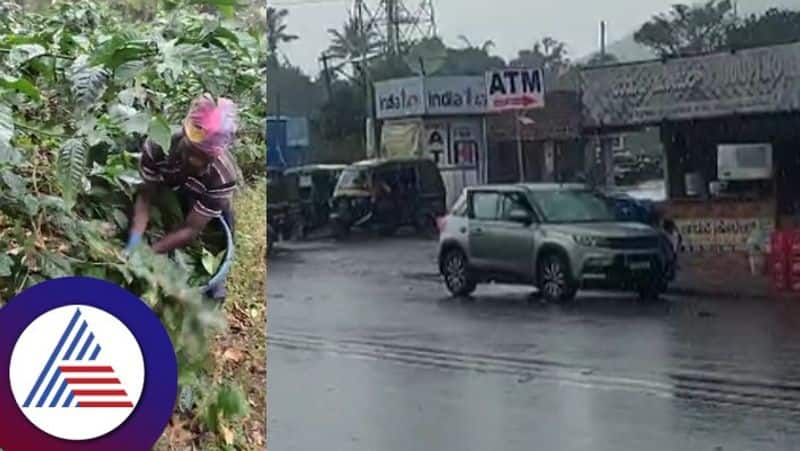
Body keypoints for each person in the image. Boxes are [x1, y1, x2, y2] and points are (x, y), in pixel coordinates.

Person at [124, 93, 240, 301]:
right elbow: (145, 197)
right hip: (170, 188)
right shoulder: (159, 145)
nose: (196, 162)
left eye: (205, 158)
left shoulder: (223, 176)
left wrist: (150, 253)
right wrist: (135, 239)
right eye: (192, 151)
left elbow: (191, 229)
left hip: (205, 202)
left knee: (215, 251)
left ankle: (215, 288)